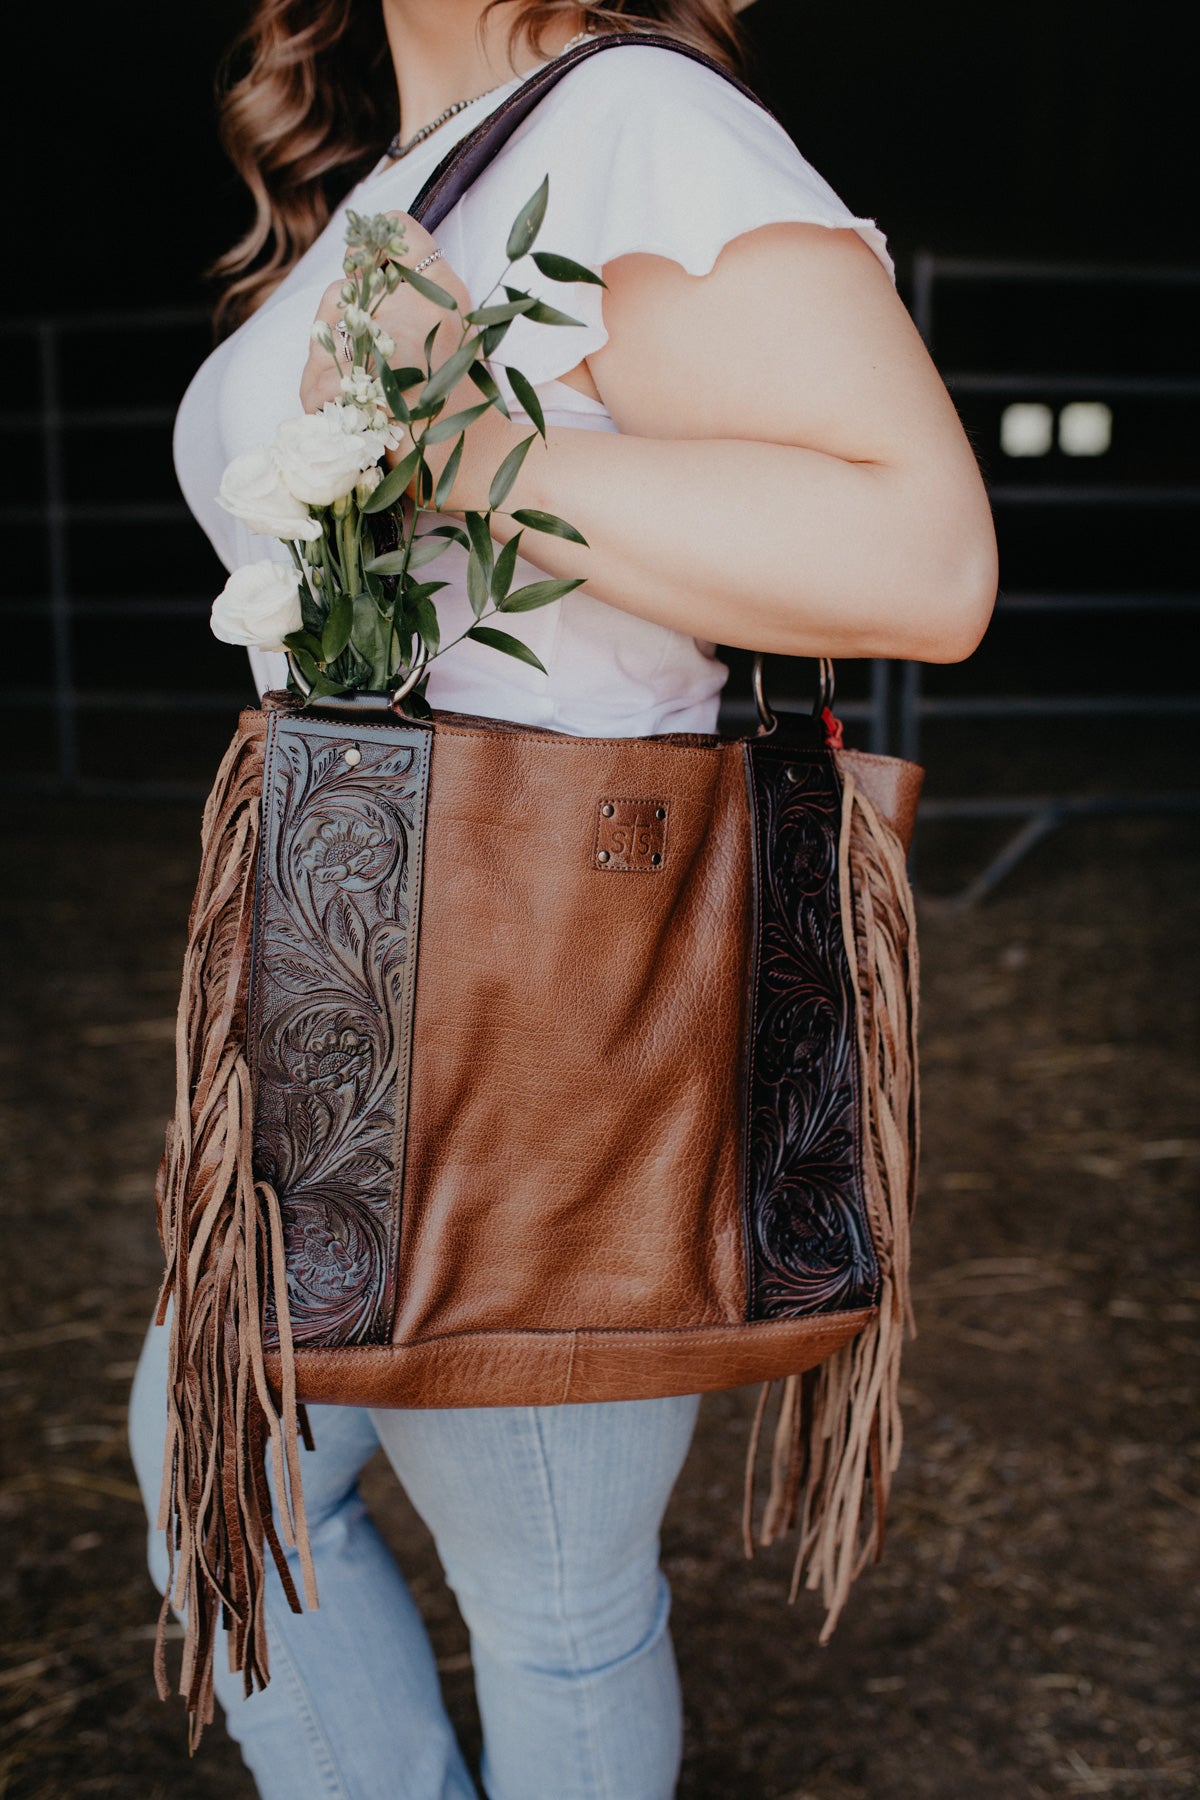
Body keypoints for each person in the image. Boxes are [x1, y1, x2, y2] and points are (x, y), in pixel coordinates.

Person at [128, 2, 997, 1796]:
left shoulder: (637, 125)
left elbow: (921, 558)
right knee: (210, 1477)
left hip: (544, 987)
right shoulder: (424, 167)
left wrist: (455, 453)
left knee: (546, 1595)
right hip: (365, 972)